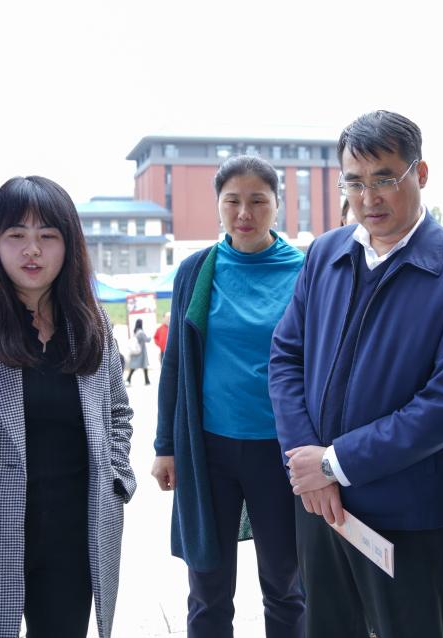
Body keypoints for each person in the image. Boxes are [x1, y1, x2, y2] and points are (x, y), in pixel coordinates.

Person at [269, 110, 443, 638]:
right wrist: (308, 464)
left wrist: (335, 463)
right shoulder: (325, 253)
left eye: (384, 178)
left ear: (421, 174)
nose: (367, 197)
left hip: (404, 512)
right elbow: (284, 356)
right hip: (320, 505)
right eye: (354, 182)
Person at [0, 175, 136, 638]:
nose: (32, 251)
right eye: (16, 235)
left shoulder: (90, 321)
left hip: (75, 528)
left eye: (48, 236)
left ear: (69, 244)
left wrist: (117, 477)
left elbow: (118, 412)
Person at [152, 154, 306, 638]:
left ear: (277, 205)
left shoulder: (306, 271)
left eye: (258, 201)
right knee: (208, 586)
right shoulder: (196, 271)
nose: (244, 213)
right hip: (209, 450)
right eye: (232, 201)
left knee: (286, 582)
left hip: (281, 451)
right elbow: (175, 364)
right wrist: (165, 446)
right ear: (217, 205)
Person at [126, 318, 151, 385]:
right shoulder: (141, 332)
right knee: (142, 366)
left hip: (137, 352)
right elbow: (147, 340)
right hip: (141, 352)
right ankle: (128, 379)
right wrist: (150, 336)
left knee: (139, 367)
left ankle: (147, 380)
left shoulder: (136, 331)